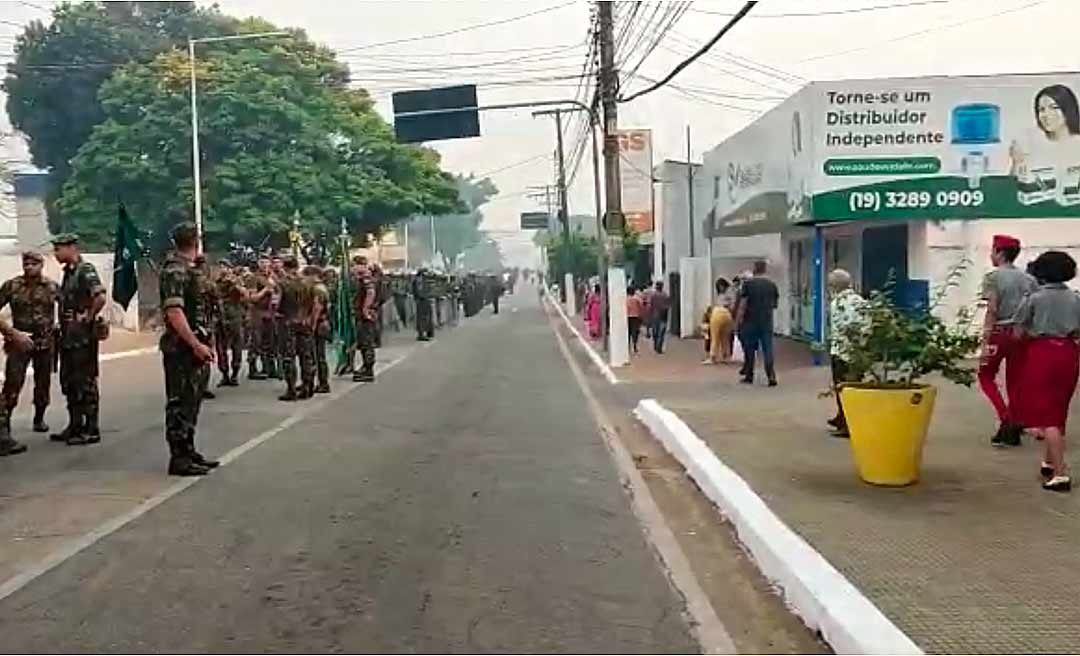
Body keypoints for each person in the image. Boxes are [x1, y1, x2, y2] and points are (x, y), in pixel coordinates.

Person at [1014, 250, 1080, 492]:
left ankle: (1061, 473)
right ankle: (1049, 461)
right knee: (1059, 407)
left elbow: (1018, 333)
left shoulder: (1034, 298)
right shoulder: (1076, 298)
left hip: (1042, 353)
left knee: (1046, 414)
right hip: (1069, 354)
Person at [159, 223, 218, 475]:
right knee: (180, 403)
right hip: (182, 348)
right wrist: (195, 344)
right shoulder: (175, 270)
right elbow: (174, 311)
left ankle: (188, 450)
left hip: (194, 345)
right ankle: (179, 458)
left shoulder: (190, 269)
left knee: (191, 401)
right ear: (196, 239)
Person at [979, 234, 1038, 447]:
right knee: (1016, 381)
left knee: (985, 375)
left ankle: (1006, 419)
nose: (990, 255)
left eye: (993, 250)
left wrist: (986, 340)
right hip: (1022, 335)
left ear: (1000, 253)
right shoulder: (1030, 280)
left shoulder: (993, 277)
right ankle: (1014, 421)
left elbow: (992, 309)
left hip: (999, 332)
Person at [52, 233, 107, 445]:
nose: (56, 253)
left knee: (86, 382)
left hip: (82, 338)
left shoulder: (86, 270)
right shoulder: (69, 273)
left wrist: (87, 316)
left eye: (59, 248)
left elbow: (100, 296)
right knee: (70, 381)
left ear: (72, 248)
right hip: (67, 337)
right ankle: (75, 424)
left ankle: (91, 428)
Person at [0, 251, 60, 435]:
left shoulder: (52, 287)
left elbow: (68, 307)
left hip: (45, 343)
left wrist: (60, 327)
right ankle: (4, 424)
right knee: (12, 383)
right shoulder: (12, 286)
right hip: (20, 342)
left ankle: (39, 418)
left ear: (41, 265)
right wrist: (10, 332)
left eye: (34, 264)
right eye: (26, 264)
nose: (29, 267)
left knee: (43, 383)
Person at [826, 269, 867, 438]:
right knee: (851, 387)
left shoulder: (838, 302)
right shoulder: (860, 301)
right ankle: (841, 416)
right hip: (856, 351)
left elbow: (840, 326)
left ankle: (847, 423)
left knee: (843, 387)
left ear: (834, 286)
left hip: (841, 351)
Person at [277, 255, 316, 401]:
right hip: (304, 322)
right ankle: (307, 386)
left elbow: (277, 303)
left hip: (287, 321)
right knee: (305, 355)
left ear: (284, 267)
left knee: (289, 357)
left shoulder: (282, 284)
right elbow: (314, 303)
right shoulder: (307, 283)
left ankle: (291, 389)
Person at [736, 260, 780, 386]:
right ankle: (771, 375)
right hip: (766, 321)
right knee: (768, 348)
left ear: (755, 269)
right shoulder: (772, 285)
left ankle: (749, 375)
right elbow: (775, 305)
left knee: (750, 349)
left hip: (750, 321)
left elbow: (743, 304)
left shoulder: (748, 285)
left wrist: (738, 320)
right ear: (765, 269)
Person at [214, 262, 246, 387]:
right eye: (220, 267)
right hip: (220, 318)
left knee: (236, 347)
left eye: (225, 267)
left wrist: (234, 283)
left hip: (234, 317)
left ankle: (235, 374)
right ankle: (224, 374)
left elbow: (244, 293)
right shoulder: (216, 282)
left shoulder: (236, 281)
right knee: (221, 348)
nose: (222, 269)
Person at [246, 257, 275, 380]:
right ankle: (252, 369)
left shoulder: (273, 278)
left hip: (270, 312)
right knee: (255, 341)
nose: (264, 265)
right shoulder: (254, 278)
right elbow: (252, 298)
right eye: (262, 262)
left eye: (266, 262)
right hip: (257, 312)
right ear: (258, 264)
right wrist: (265, 290)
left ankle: (269, 368)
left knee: (270, 341)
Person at [353, 259, 378, 383]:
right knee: (364, 342)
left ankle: (368, 369)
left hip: (366, 315)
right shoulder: (366, 278)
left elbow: (370, 292)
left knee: (366, 342)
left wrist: (365, 308)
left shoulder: (366, 279)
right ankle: (366, 367)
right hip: (364, 314)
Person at [703, 278, 735, 364]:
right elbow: (732, 306)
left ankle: (712, 357)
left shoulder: (720, 295)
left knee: (715, 337)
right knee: (725, 338)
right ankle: (726, 356)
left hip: (717, 313)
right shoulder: (731, 293)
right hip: (728, 315)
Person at [312, 267, 332, 394]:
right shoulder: (323, 287)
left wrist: (312, 325)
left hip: (319, 325)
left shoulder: (318, 289)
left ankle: (323, 383)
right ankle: (322, 382)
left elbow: (317, 308)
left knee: (318, 355)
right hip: (323, 323)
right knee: (319, 355)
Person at [413, 267, 434, 341]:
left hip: (424, 300)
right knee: (422, 318)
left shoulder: (423, 280)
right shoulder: (419, 280)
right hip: (422, 301)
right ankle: (422, 334)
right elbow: (419, 292)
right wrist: (424, 297)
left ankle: (427, 332)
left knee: (426, 317)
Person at [650, 280, 671, 354]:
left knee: (655, 332)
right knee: (661, 333)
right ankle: (659, 347)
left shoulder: (653, 295)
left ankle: (656, 345)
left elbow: (651, 306)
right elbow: (668, 306)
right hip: (663, 316)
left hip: (655, 315)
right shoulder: (665, 295)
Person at [626, 285, 643, 354]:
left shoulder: (625, 299)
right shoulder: (637, 299)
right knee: (635, 332)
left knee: (628, 332)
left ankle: (628, 346)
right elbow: (641, 306)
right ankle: (635, 346)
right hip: (636, 317)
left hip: (628, 317)